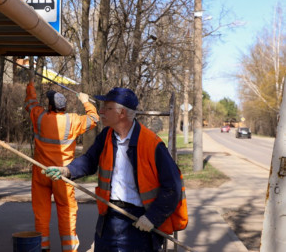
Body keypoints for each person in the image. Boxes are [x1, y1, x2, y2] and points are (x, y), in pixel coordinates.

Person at [42, 87, 187, 252]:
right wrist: (66, 171)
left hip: (139, 222)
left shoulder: (151, 144)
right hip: (109, 218)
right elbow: (89, 160)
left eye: (107, 108)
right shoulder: (106, 136)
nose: (101, 111)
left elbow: (173, 186)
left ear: (122, 113)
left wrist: (152, 217)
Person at [24, 76, 99, 252]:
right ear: (63, 106)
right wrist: (85, 101)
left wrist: (31, 85)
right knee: (66, 211)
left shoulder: (40, 117)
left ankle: (43, 248)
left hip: (42, 173)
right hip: (63, 175)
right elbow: (94, 118)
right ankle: (69, 249)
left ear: (50, 106)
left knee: (41, 213)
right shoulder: (73, 120)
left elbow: (30, 103)